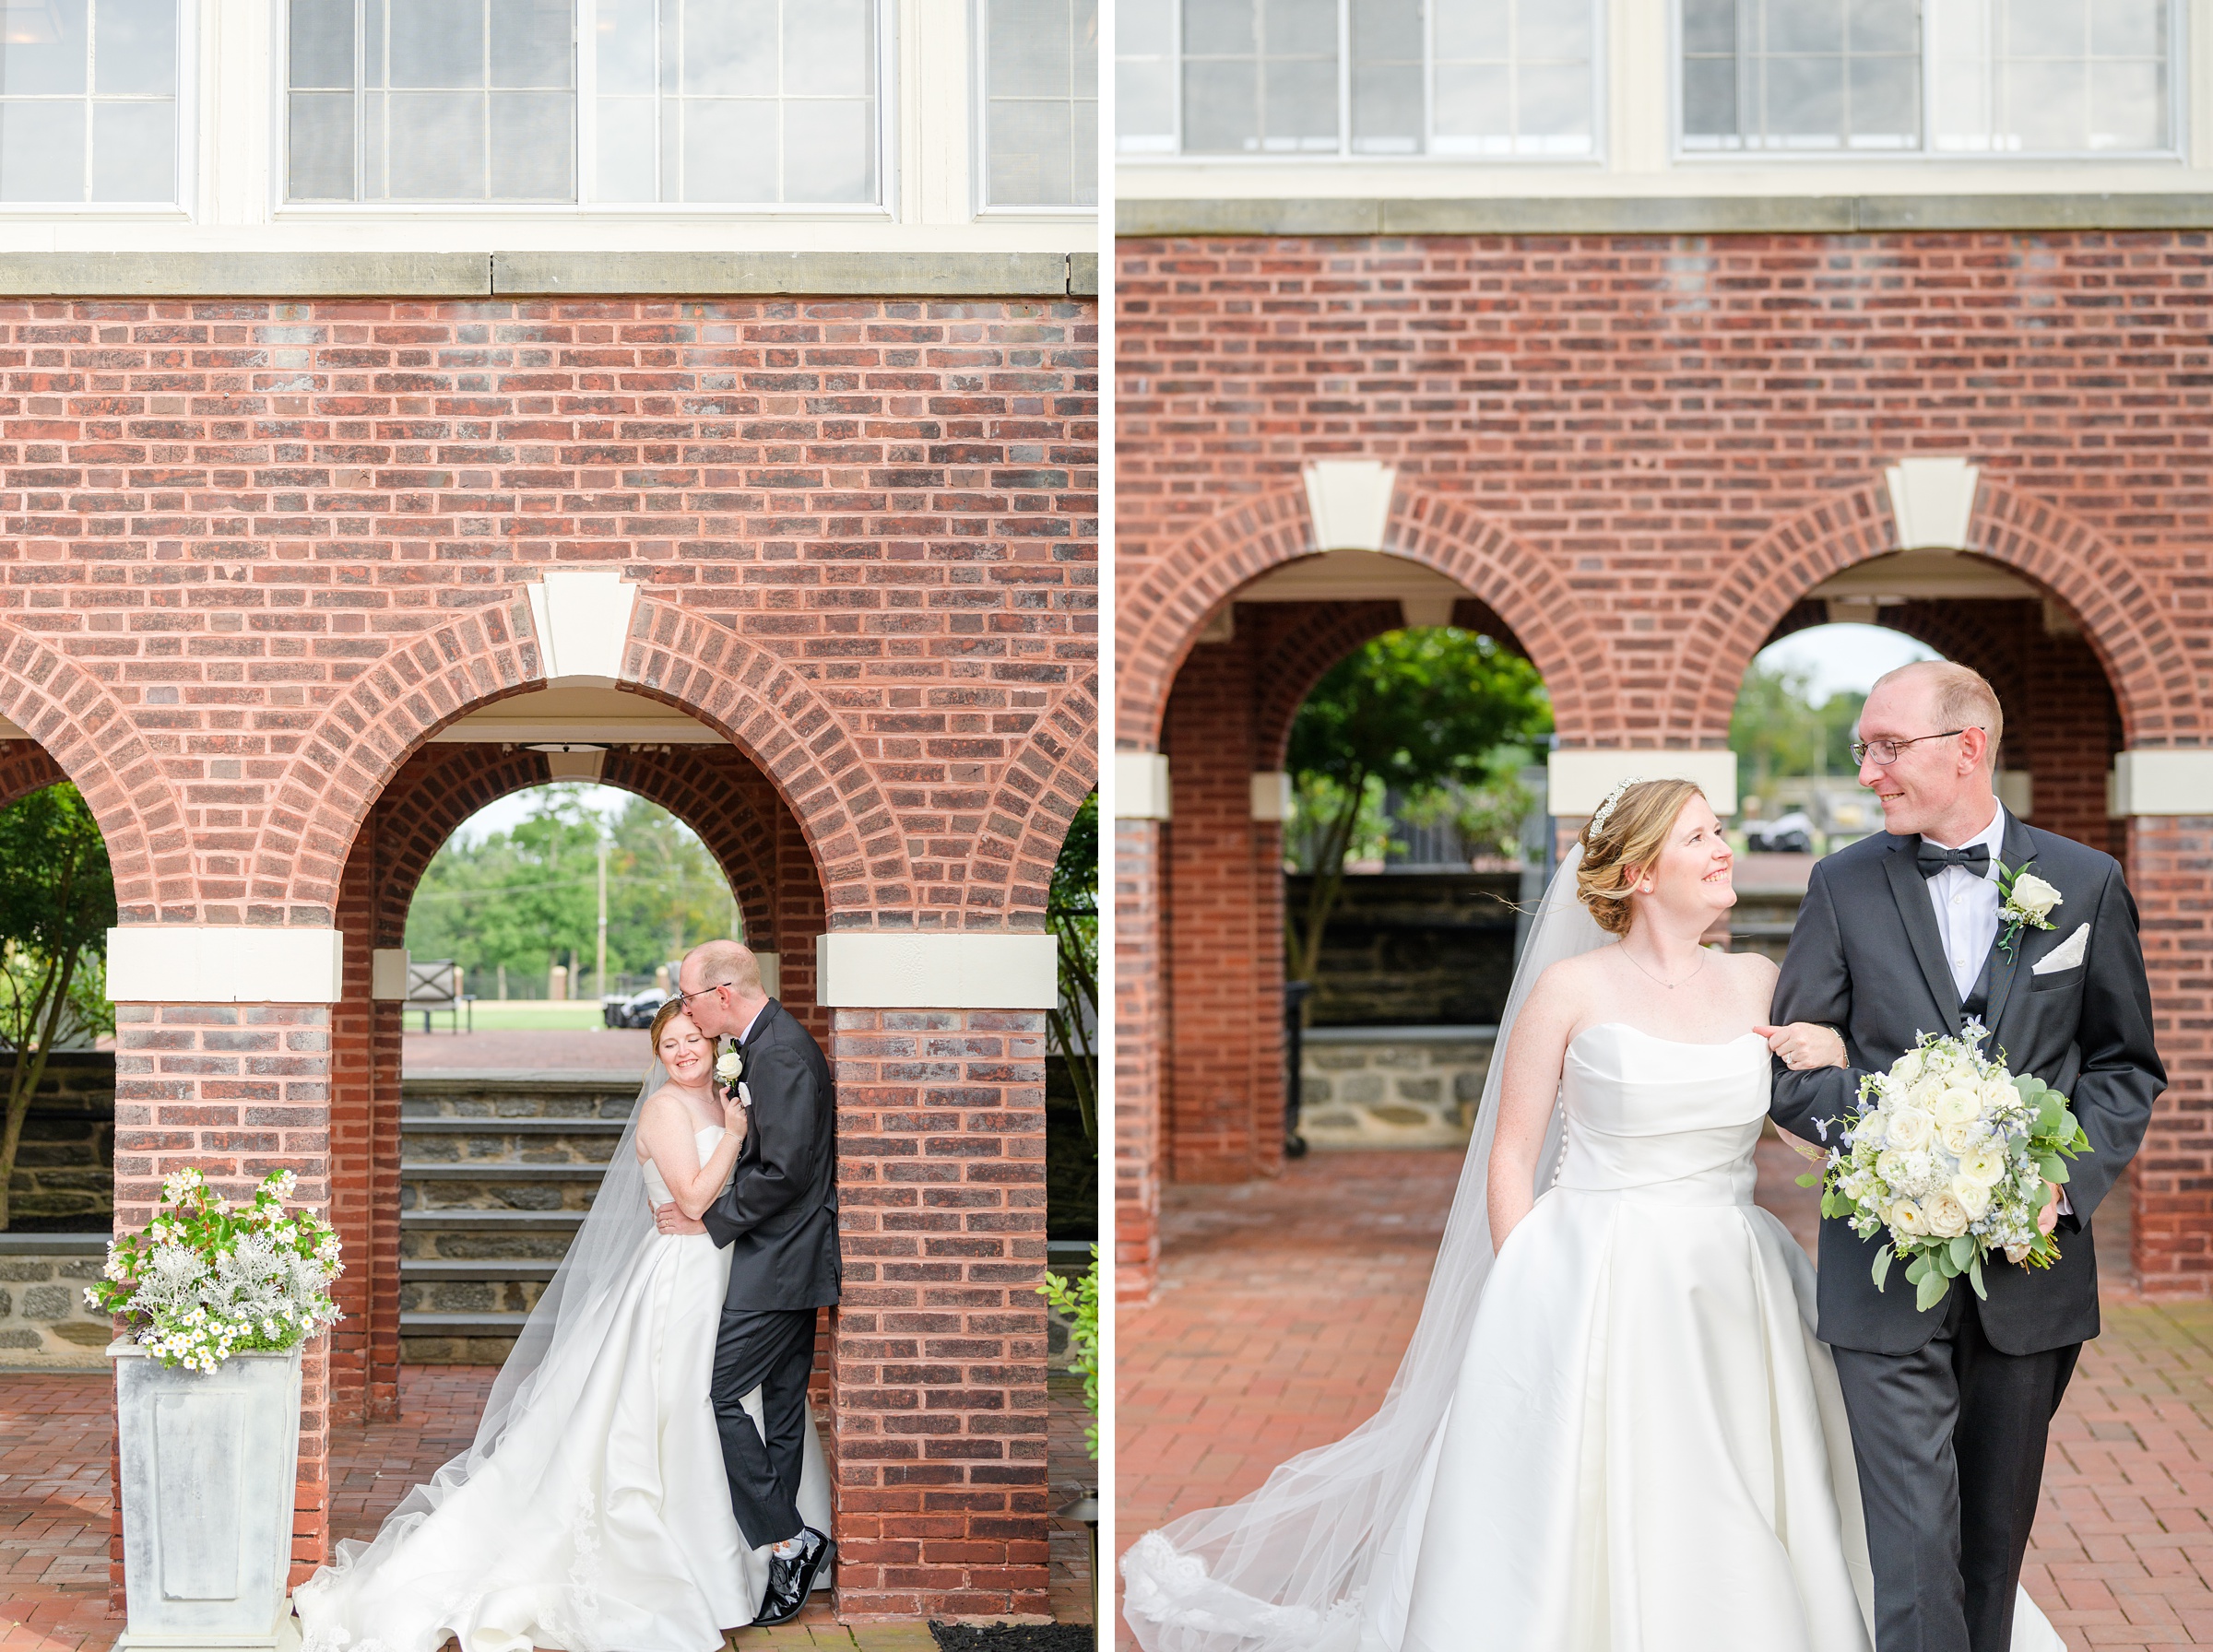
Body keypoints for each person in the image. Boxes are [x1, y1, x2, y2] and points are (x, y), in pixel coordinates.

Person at [1121, 777, 2069, 1652]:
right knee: (1587, 1491)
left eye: (1720, 833)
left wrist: (1850, 1081)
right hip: (1591, 1271)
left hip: (1732, 1275)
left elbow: (1797, 1136)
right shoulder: (1570, 990)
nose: (1723, 849)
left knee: (1735, 1486)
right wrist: (1523, 1275)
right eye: (1701, 836)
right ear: (1642, 872)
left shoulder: (1756, 979)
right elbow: (1509, 1150)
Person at [1769, 660, 2163, 1652]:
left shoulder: (2084, 883)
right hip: (1881, 1269)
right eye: (1865, 748)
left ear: (1968, 748)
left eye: (1887, 747)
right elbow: (1793, 1070)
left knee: (1991, 1549)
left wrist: (2065, 1187)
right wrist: (1892, 1141)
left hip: (2030, 1280)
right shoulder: (1841, 883)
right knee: (1911, 1550)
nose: (1870, 772)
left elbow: (2124, 1064)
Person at [294, 999, 833, 1651]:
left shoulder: (723, 1100)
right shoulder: (666, 1110)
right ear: (657, 1055)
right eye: (671, 1045)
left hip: (727, 1270)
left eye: (694, 1039)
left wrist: (732, 1125)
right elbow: (691, 1199)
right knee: (677, 1407)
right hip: (681, 1275)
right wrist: (737, 1137)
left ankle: (754, 1556)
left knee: (723, 1401)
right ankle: (704, 1565)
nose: (685, 1052)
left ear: (713, 1040)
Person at [652, 939, 840, 1622]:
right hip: (786, 1260)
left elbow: (785, 1171)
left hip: (777, 1261)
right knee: (783, 1410)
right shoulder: (768, 1044)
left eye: (691, 996)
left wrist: (711, 1221)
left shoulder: (780, 1052)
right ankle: (783, 1553)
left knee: (719, 1392)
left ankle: (787, 1541)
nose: (688, 1009)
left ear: (722, 994)